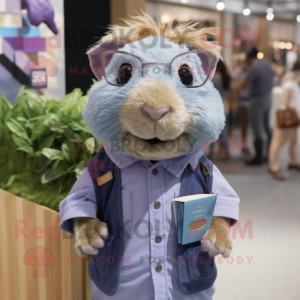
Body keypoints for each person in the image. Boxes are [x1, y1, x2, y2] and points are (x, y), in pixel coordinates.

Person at [268, 61, 300, 180]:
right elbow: (285, 101)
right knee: (278, 142)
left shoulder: (293, 83)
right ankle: (273, 167)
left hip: (292, 119)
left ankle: (293, 162)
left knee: (293, 141)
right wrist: (294, 111)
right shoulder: (290, 84)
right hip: (287, 119)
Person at [241, 48, 274, 165]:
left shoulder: (254, 67)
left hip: (257, 99)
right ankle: (270, 155)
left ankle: (258, 157)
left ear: (249, 58)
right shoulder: (268, 64)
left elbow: (245, 83)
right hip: (268, 97)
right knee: (267, 127)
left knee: (257, 128)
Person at [208, 60, 231, 161]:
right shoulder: (227, 77)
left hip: (214, 106)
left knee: (213, 132)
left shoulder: (214, 77)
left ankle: (211, 152)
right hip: (224, 105)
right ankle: (226, 152)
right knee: (223, 132)